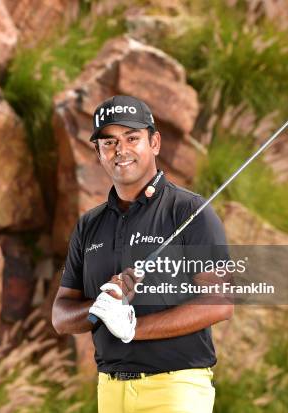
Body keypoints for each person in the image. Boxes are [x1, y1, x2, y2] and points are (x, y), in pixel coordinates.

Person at [51, 95, 234, 413]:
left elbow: (220, 303)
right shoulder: (89, 225)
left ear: (155, 142)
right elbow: (61, 316)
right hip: (109, 390)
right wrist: (100, 307)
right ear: (98, 153)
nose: (120, 150)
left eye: (132, 138)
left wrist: (133, 327)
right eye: (108, 142)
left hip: (174, 388)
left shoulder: (190, 211)